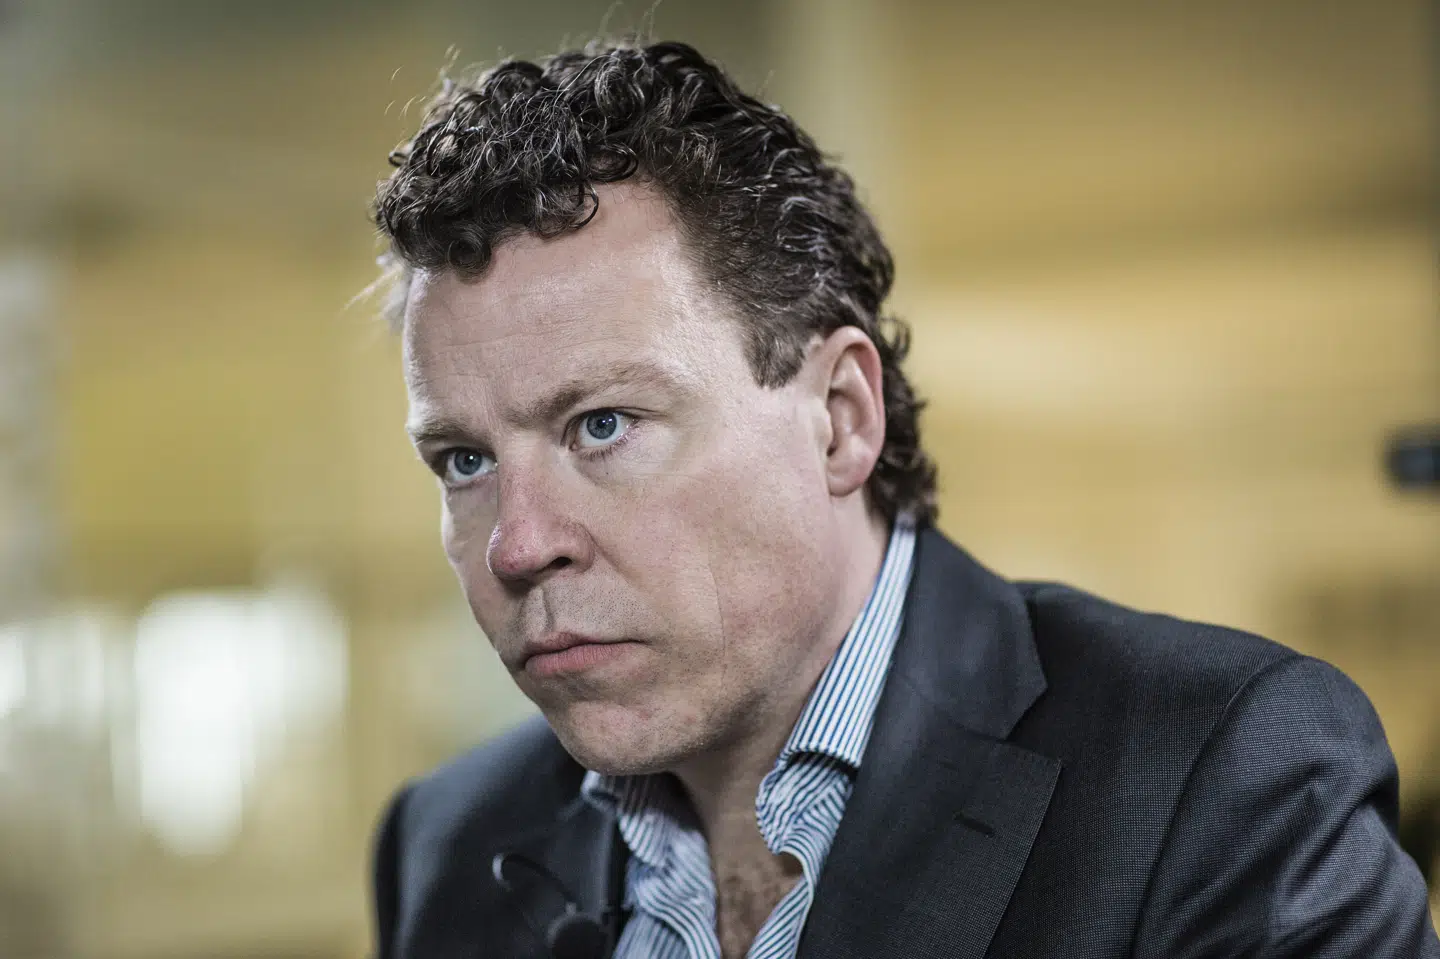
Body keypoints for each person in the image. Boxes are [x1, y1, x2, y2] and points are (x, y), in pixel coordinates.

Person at [366, 40, 1440, 959]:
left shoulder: (1219, 779)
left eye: (602, 425)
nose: (517, 545)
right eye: (463, 461)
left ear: (840, 418)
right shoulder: (447, 842)